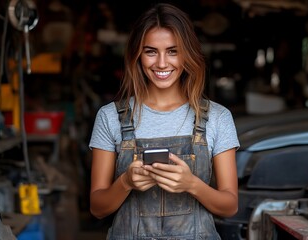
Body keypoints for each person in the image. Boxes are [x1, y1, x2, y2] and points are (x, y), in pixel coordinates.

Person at [89, 3, 239, 239]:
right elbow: (97, 208)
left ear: (187, 53)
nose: (161, 63)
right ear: (137, 56)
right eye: (150, 51)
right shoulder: (110, 117)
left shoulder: (217, 117)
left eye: (172, 51)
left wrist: (191, 185)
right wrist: (126, 182)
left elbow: (230, 207)